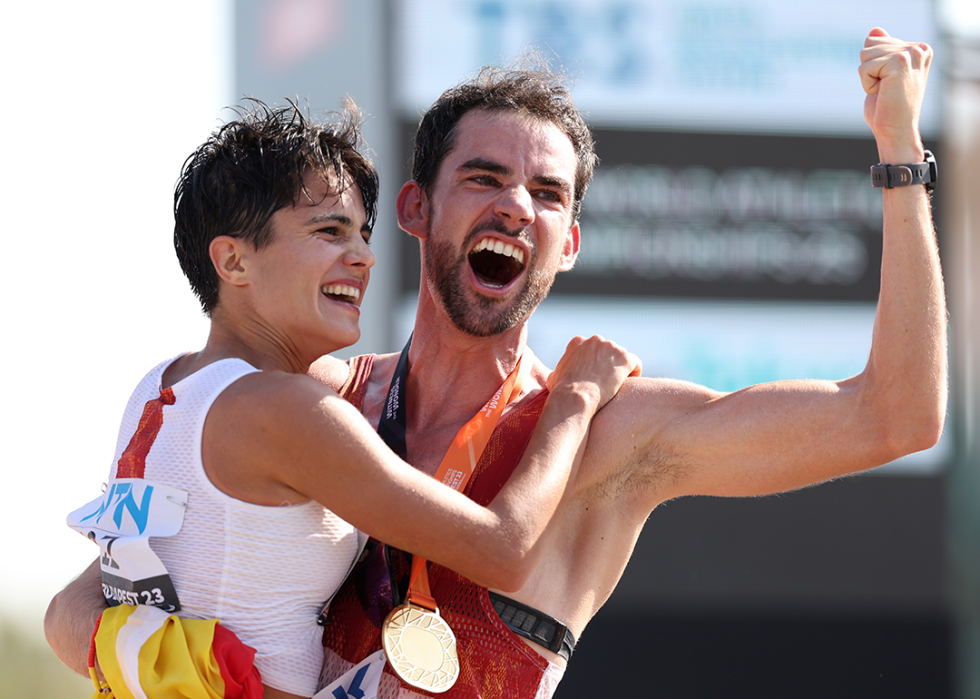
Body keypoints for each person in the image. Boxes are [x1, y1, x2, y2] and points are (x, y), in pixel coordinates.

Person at [47, 27, 946, 699]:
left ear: (569, 243)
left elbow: (895, 415)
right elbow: (104, 587)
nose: (517, 205)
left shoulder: (611, 429)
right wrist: (159, 664)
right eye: (483, 178)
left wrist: (901, 155)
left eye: (547, 194)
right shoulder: (323, 400)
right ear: (414, 209)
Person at [53, 100, 639, 699]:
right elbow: (503, 549)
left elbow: (75, 606)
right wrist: (575, 397)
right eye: (328, 231)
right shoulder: (289, 411)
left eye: (361, 232)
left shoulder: (160, 387)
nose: (363, 256)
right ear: (232, 260)